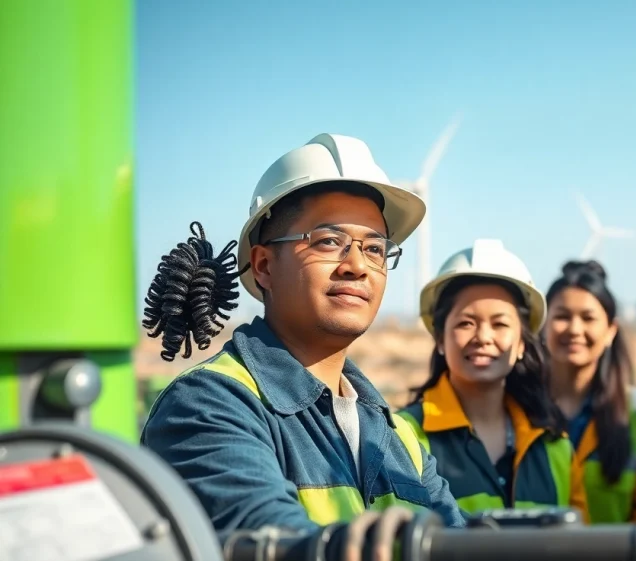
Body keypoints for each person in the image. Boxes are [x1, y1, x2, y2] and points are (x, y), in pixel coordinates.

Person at [140, 134, 464, 560]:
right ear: (264, 266)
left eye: (374, 249)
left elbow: (461, 545)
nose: (356, 267)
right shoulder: (209, 407)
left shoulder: (397, 434)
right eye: (329, 242)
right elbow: (270, 540)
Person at [397, 240, 589, 520]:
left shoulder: (555, 446)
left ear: (521, 342)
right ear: (440, 338)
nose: (483, 338)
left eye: (500, 324)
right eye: (466, 323)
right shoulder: (405, 438)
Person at [545, 260, 636, 523]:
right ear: (543, 326)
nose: (575, 329)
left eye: (588, 318)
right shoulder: (519, 409)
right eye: (562, 316)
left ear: (611, 330)